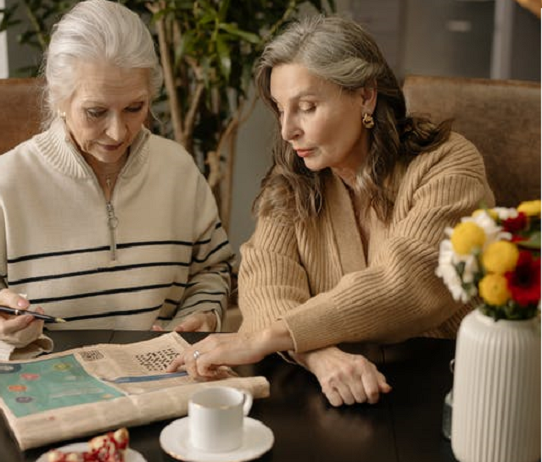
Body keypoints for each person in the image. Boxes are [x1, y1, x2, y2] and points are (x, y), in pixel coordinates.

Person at [168, 14, 495, 407]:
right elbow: (265, 281)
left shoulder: (448, 164)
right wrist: (320, 356)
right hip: (339, 393)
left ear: (365, 96)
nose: (288, 130)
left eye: (306, 107)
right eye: (279, 108)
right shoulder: (293, 179)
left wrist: (261, 338)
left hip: (453, 389)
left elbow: (407, 282)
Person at [0, 0, 234, 360]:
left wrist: (201, 315)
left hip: (162, 376)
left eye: (135, 108)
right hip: (48, 385)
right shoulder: (5, 182)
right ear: (58, 96)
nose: (117, 131)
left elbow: (212, 268)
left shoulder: (178, 170)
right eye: (96, 111)